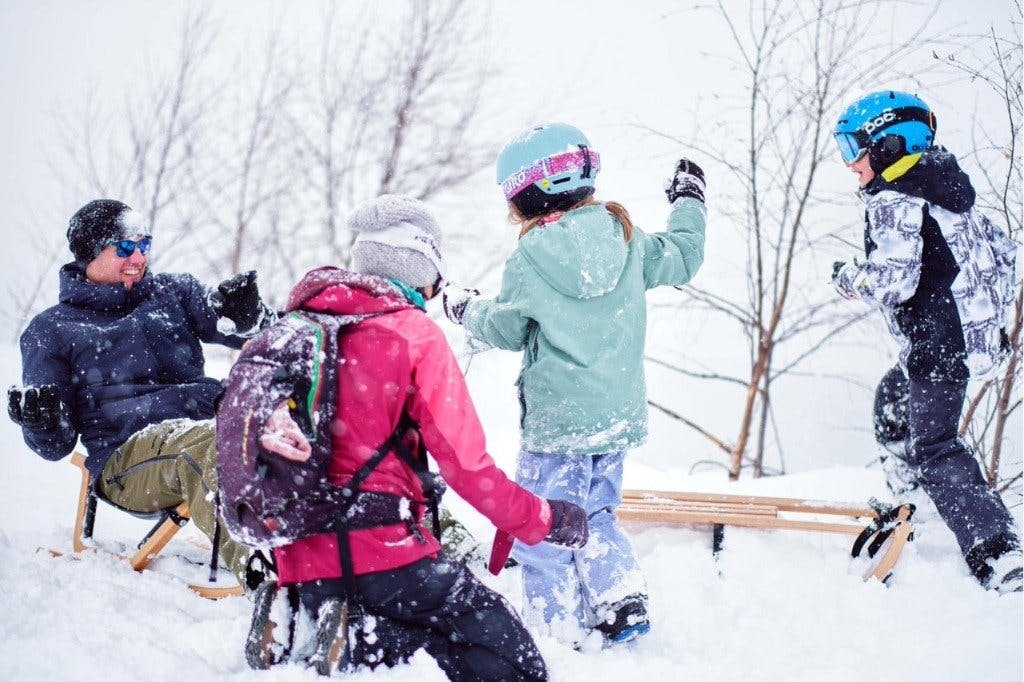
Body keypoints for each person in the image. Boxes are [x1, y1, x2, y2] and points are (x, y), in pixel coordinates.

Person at [248, 194, 588, 680]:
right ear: (419, 269)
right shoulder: (413, 333)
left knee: (413, 626)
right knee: (511, 660)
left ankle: (308, 624)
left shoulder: (299, 328)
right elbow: (466, 468)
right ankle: (358, 643)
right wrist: (544, 518)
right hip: (383, 551)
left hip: (299, 556)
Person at [442, 122, 708, 648]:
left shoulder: (531, 258)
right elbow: (684, 255)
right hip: (614, 418)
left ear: (528, 194)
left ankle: (553, 633)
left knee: (544, 525)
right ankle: (621, 599)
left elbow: (507, 329)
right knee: (597, 513)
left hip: (557, 426)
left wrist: (466, 309)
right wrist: (689, 201)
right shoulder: (628, 240)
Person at [7, 199, 275, 587]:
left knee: (290, 426)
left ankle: (332, 553)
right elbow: (55, 447)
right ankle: (266, 573)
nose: (138, 258)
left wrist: (252, 317)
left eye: (143, 245)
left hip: (206, 424)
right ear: (90, 254)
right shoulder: (52, 330)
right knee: (205, 445)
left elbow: (252, 334)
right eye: (124, 247)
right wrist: (42, 422)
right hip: (125, 461)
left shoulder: (174, 293)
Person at [831, 90, 1022, 594]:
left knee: (935, 446)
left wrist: (849, 277)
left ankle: (997, 552)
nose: (849, 163)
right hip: (960, 339)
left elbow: (893, 282)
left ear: (890, 146)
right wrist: (988, 325)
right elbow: (1003, 255)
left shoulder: (894, 199)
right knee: (892, 401)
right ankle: (915, 497)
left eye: (854, 148)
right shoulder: (947, 190)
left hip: (937, 344)